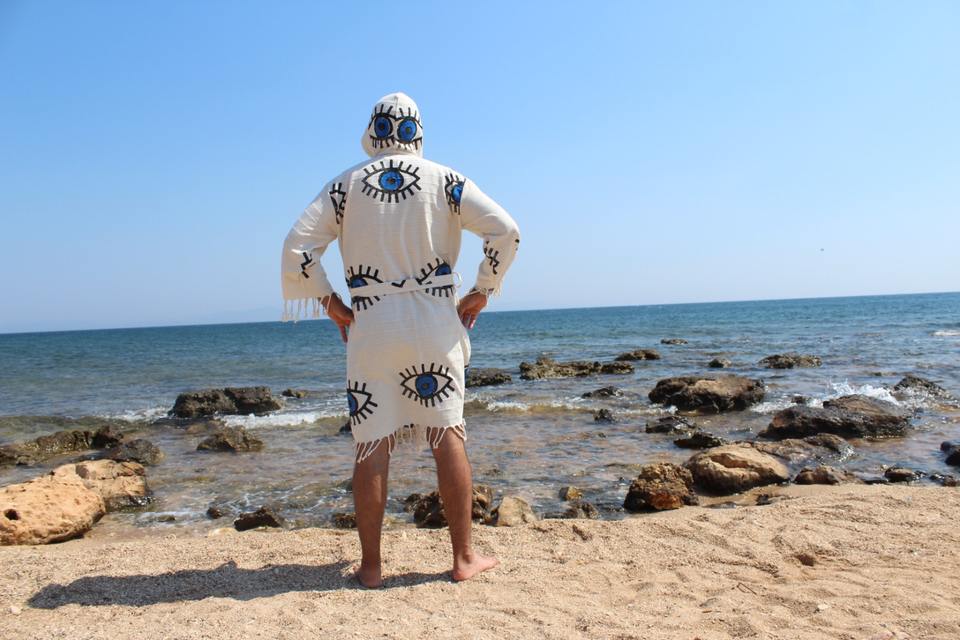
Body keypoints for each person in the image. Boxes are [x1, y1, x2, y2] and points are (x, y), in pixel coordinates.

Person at [280, 92, 520, 587]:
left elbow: (298, 246)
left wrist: (330, 303)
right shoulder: (445, 180)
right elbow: (506, 231)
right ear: (417, 130)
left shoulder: (346, 185)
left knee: (371, 443)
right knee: (447, 436)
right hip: (434, 322)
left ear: (373, 131)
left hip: (372, 325)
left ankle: (371, 567)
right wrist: (482, 290)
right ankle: (463, 558)